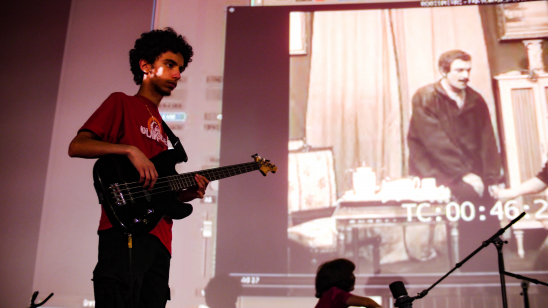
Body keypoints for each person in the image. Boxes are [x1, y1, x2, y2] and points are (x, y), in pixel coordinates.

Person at [68, 27, 209, 308]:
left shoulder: (166, 129)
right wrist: (130, 150)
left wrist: (185, 193)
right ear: (145, 66)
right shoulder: (122, 102)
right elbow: (78, 146)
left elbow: (158, 188)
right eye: (170, 64)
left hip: (160, 240)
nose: (177, 74)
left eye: (180, 68)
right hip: (125, 229)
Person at [407, 50, 502, 272]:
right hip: (437, 169)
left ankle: (490, 271)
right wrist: (464, 174)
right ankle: (469, 272)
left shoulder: (475, 99)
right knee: (469, 196)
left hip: (471, 170)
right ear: (443, 71)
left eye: (468, 70)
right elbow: (435, 142)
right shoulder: (425, 97)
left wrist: (491, 177)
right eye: (459, 70)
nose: (465, 75)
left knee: (489, 197)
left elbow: (487, 139)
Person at [314, 258, 382, 308]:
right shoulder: (336, 293)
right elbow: (369, 302)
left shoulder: (328, 294)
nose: (353, 277)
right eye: (350, 274)